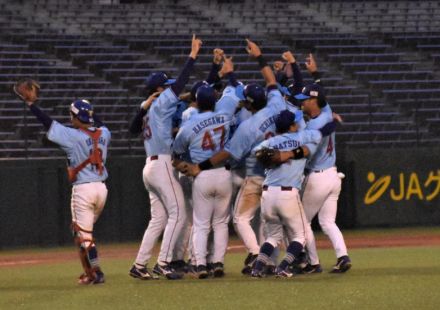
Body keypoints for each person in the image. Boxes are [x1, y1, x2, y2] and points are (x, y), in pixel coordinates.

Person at [13, 79, 110, 285]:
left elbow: (47, 122)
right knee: (80, 233)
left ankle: (97, 271)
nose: (70, 118)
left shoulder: (72, 136)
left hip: (83, 190)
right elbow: (98, 123)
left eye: (72, 115)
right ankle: (90, 273)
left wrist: (31, 105)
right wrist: (88, 109)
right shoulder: (105, 134)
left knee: (85, 236)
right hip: (102, 190)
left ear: (76, 117)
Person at [128, 34, 202, 280]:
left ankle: (139, 265)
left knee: (159, 219)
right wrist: (192, 56)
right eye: (165, 86)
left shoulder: (150, 108)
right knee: (179, 213)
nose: (170, 88)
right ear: (158, 90)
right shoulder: (159, 105)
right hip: (161, 165)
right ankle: (163, 263)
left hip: (150, 167)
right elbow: (179, 86)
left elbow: (180, 95)